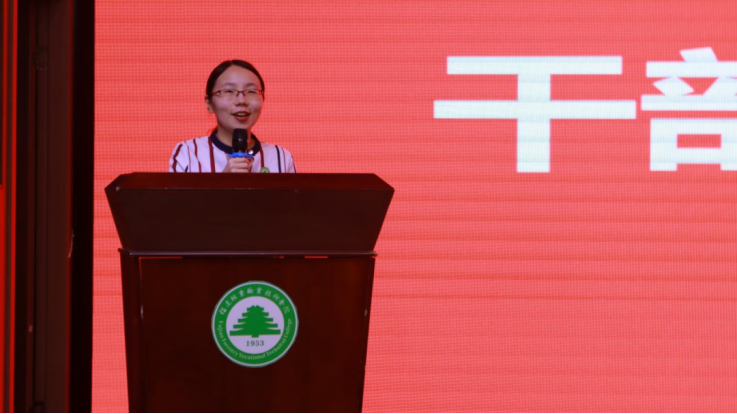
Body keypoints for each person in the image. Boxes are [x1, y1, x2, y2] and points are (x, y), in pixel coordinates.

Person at [169, 60, 296, 173]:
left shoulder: (281, 157)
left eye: (251, 91)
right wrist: (224, 183)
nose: (242, 100)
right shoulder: (188, 153)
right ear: (209, 103)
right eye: (229, 91)